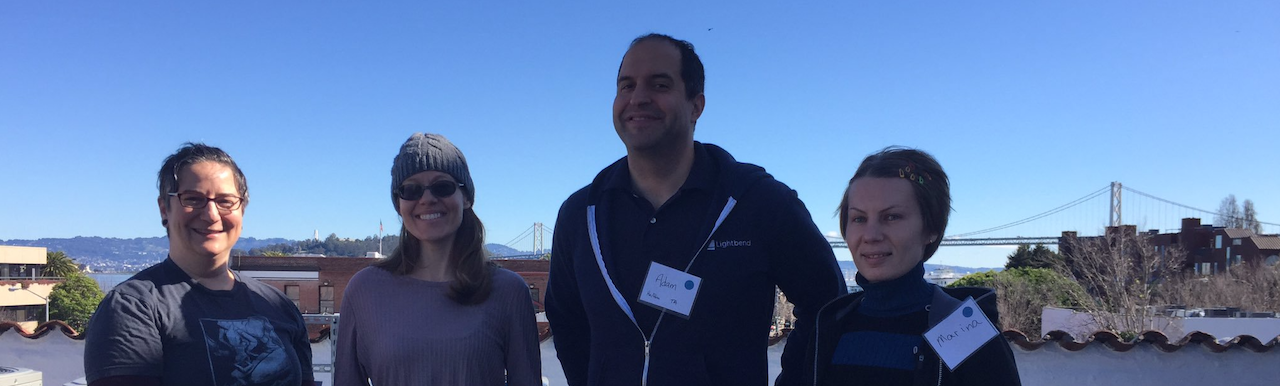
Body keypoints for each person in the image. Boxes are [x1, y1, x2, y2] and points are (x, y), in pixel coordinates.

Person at [544, 33, 846, 386]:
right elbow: (566, 321)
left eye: (659, 84)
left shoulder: (759, 203)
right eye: (626, 86)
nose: (638, 98)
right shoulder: (581, 215)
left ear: (696, 106)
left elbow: (829, 307)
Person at [84, 143, 314, 386]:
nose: (211, 214)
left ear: (242, 211)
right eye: (193, 199)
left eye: (225, 201)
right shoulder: (133, 307)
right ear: (164, 209)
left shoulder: (279, 306)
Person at [333, 133, 540, 386]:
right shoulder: (363, 291)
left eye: (442, 186)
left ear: (466, 198)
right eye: (411, 189)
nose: (427, 199)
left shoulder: (508, 291)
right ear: (399, 205)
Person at [808, 147, 1022, 385]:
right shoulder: (829, 324)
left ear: (931, 229)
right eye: (859, 218)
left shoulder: (963, 328)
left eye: (892, 217)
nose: (870, 235)